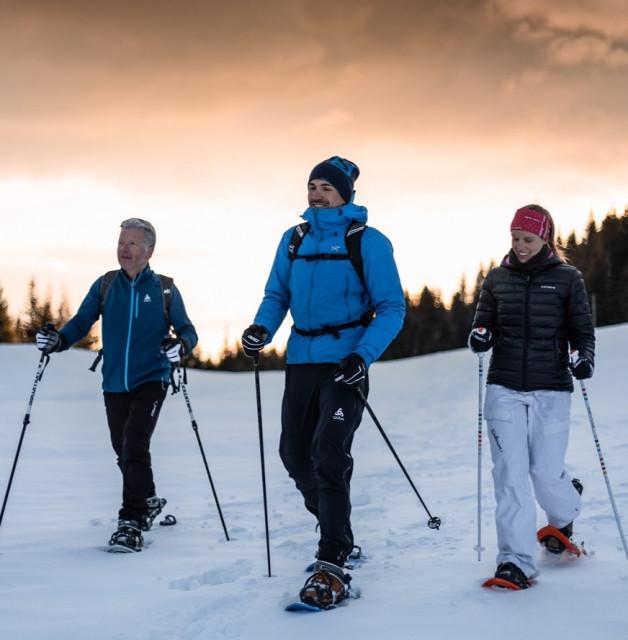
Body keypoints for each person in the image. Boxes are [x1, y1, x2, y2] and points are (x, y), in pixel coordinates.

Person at [241, 156, 405, 608]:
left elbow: (391, 307)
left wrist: (362, 356)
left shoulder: (367, 242)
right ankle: (339, 530)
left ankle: (331, 560)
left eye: (326, 187)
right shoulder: (294, 239)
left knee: (329, 453)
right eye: (312, 185)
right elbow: (278, 294)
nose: (316, 193)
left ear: (344, 195)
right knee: (294, 453)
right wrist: (262, 328)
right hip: (301, 360)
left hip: (344, 364)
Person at [35, 218, 198, 552]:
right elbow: (81, 321)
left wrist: (180, 346)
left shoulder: (164, 289)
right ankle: (148, 499)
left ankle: (131, 521)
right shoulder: (107, 284)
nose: (124, 249)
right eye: (122, 242)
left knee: (134, 443)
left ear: (149, 249)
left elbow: (187, 331)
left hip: (153, 378)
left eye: (132, 243)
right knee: (122, 449)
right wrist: (57, 341)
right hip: (113, 381)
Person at [468, 204, 595, 589]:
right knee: (510, 475)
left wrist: (583, 358)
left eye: (528, 239)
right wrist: (480, 337)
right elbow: (481, 324)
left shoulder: (568, 279)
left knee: (544, 473)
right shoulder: (496, 279)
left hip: (551, 389)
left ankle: (565, 506)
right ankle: (515, 561)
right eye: (515, 239)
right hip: (504, 388)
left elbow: (582, 331)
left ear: (545, 238)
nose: (521, 246)